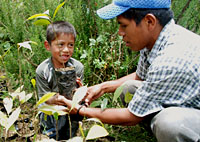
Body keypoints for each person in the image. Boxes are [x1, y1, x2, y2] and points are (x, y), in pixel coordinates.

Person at [57, 0, 200, 142]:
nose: (120, 33)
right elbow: (140, 77)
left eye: (124, 25)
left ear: (149, 21)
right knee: (128, 88)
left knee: (169, 124)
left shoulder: (170, 58)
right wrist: (102, 87)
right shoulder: (157, 39)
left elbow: (130, 117)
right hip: (189, 102)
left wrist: (81, 110)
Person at [35, 21, 84, 140]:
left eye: (70, 45)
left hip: (70, 107)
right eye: (60, 44)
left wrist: (80, 90)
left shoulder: (77, 67)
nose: (66, 50)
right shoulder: (43, 70)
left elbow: (80, 96)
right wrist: (57, 99)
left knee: (71, 126)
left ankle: (71, 134)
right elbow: (44, 99)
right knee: (52, 128)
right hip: (51, 109)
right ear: (48, 46)